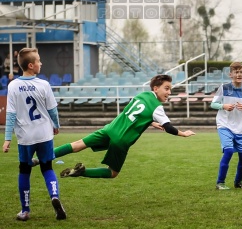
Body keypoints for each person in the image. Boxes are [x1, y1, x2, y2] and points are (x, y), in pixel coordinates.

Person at [53, 74, 196, 178]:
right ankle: (82, 172)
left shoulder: (141, 96)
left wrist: (150, 121)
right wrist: (183, 133)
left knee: (77, 145)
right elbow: (169, 128)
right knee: (112, 173)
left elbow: (133, 113)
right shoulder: (157, 107)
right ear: (156, 88)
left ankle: (40, 158)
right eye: (167, 88)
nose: (169, 93)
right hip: (121, 140)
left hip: (110, 129)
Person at [3, 48, 66, 221]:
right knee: (47, 168)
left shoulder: (13, 86)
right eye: (38, 60)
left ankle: (25, 211)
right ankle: (54, 196)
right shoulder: (44, 85)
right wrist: (56, 125)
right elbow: (53, 110)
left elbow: (10, 114)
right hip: (44, 134)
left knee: (24, 170)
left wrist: (7, 138)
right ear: (31, 65)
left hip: (25, 137)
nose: (41, 63)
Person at [210, 61, 242, 190]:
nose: (239, 74)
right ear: (231, 74)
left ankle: (238, 182)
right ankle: (220, 183)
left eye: (241, 72)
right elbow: (213, 104)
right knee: (229, 151)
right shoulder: (224, 88)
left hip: (240, 128)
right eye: (236, 72)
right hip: (224, 125)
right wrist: (223, 106)